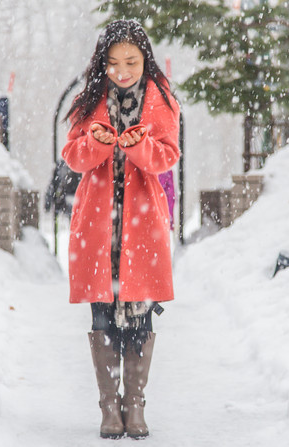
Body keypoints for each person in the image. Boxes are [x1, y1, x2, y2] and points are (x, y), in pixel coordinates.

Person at [62, 19, 180, 439]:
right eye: (113, 63)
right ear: (102, 63)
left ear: (144, 59)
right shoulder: (87, 100)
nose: (122, 70)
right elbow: (73, 157)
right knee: (103, 318)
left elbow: (167, 157)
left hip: (142, 226)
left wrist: (139, 146)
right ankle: (109, 409)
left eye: (131, 61)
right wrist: (96, 142)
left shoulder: (161, 100)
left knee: (140, 320)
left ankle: (136, 407)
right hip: (97, 228)